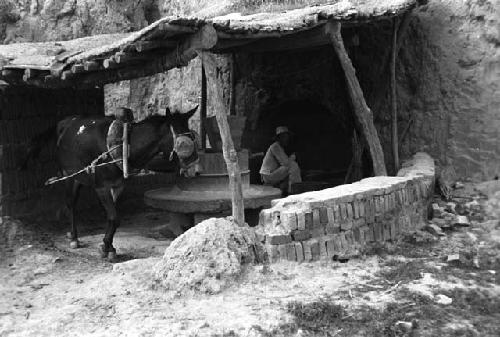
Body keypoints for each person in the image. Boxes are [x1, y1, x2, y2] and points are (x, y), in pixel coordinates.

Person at [260, 126, 302, 195]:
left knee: (291, 168)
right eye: (284, 137)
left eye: (287, 137)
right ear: (279, 138)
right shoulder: (275, 146)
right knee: (293, 165)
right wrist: (293, 157)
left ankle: (291, 189)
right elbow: (286, 163)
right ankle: (294, 191)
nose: (287, 139)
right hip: (268, 175)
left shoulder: (279, 147)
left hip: (271, 173)